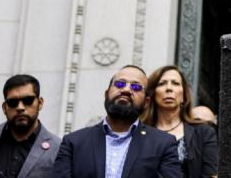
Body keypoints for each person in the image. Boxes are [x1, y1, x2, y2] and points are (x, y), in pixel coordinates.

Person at [51, 65, 181, 178]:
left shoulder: (163, 144)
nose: (126, 90)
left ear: (146, 102)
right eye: (120, 84)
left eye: (135, 87)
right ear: (106, 94)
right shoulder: (74, 142)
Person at [0, 74, 60, 178]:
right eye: (13, 102)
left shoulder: (58, 147)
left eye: (28, 100)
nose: (20, 107)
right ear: (4, 107)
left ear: (40, 103)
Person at [141, 66, 217, 178]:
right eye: (162, 84)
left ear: (183, 95)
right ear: (152, 93)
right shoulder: (139, 132)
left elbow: (211, 174)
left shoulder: (204, 133)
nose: (169, 88)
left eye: (175, 83)